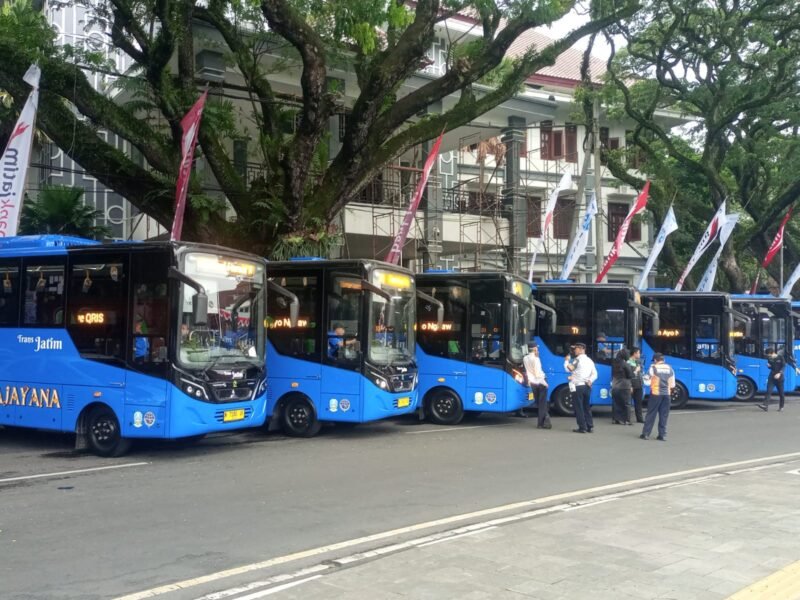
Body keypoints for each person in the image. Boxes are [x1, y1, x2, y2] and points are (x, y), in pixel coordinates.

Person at [640, 352, 675, 441]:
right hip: (667, 394)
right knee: (664, 415)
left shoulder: (653, 367)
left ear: (655, 360)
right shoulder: (670, 368)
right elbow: (672, 385)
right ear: (663, 360)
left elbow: (646, 380)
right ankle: (662, 435)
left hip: (656, 394)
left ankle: (646, 434)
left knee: (651, 414)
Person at [564, 342, 597, 433]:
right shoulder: (590, 360)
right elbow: (595, 374)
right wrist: (590, 380)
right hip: (587, 386)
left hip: (578, 386)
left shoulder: (577, 360)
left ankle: (582, 427)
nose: (575, 350)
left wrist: (566, 361)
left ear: (582, 349)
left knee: (578, 407)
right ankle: (589, 425)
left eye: (576, 348)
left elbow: (569, 369)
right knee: (586, 406)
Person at [523, 343, 550, 429]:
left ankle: (543, 421)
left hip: (533, 382)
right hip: (540, 382)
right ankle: (541, 423)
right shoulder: (536, 359)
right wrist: (545, 383)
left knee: (538, 402)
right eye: (537, 348)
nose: (537, 350)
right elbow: (538, 374)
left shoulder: (525, 358)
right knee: (542, 403)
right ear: (534, 349)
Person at [611, 348, 633, 425]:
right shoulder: (625, 364)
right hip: (624, 386)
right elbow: (630, 375)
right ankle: (626, 420)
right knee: (626, 403)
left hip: (615, 385)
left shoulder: (614, 363)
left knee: (616, 403)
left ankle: (616, 419)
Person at [759, 347, 786, 412]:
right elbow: (771, 367)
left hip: (780, 378)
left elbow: (784, 366)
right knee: (768, 391)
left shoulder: (780, 357)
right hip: (772, 377)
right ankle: (765, 405)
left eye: (768, 355)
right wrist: (769, 366)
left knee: (781, 393)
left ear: (772, 353)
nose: (768, 356)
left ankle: (781, 407)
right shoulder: (769, 358)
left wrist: (779, 373)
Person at [628, 347, 645, 423]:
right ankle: (627, 419)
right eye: (638, 353)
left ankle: (639, 418)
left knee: (638, 403)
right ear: (634, 353)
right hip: (631, 385)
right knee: (628, 403)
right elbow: (628, 375)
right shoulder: (628, 362)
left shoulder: (638, 361)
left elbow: (640, 372)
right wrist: (630, 385)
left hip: (639, 384)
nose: (639, 354)